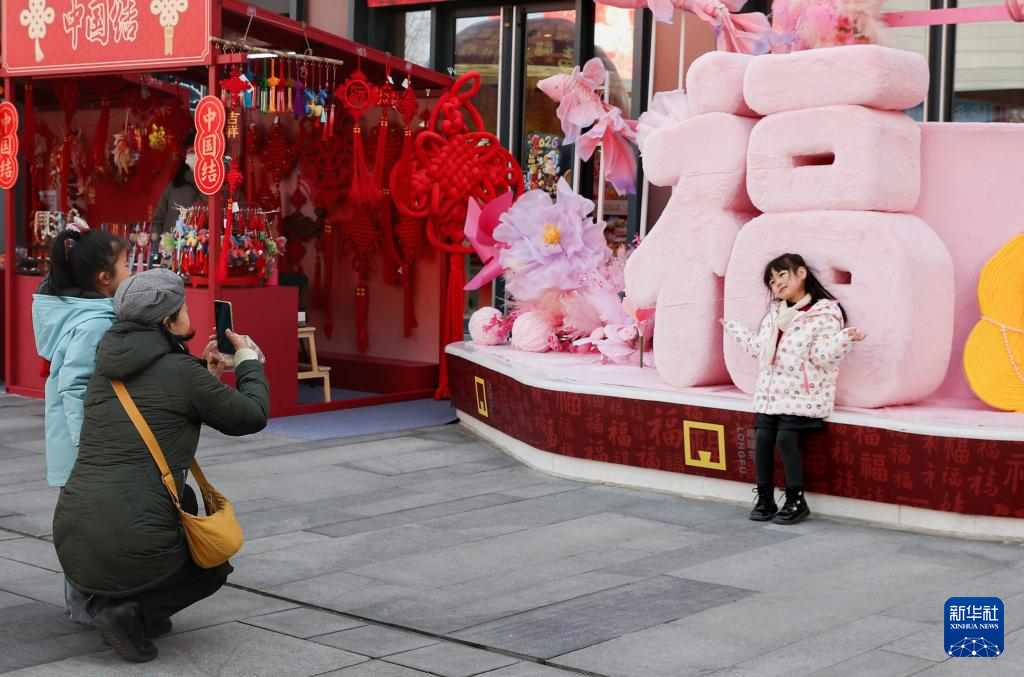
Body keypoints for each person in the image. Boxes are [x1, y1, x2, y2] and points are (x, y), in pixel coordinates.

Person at [52, 268, 269, 662]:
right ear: (167, 321)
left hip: (73, 536)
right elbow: (251, 415)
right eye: (183, 308)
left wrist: (204, 375)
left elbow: (157, 400)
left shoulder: (106, 369)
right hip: (125, 538)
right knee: (213, 565)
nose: (189, 313)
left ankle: (128, 603)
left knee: (182, 497)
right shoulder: (179, 373)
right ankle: (130, 613)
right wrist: (248, 360)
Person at [32, 222, 131, 623]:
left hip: (77, 446)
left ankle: (84, 602)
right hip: (83, 450)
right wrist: (89, 449)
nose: (132, 271)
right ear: (104, 277)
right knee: (91, 529)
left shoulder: (80, 312)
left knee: (84, 526)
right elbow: (75, 388)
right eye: (126, 265)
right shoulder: (94, 323)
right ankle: (87, 606)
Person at [721, 253, 866, 525]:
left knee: (785, 440)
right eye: (772, 281)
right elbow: (759, 349)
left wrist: (845, 338)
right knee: (763, 440)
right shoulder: (774, 315)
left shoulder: (823, 314)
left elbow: (823, 357)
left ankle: (796, 501)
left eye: (782, 275)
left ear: (801, 273)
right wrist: (734, 329)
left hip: (803, 395)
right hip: (770, 394)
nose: (777, 283)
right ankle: (765, 498)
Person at [151, 130, 201, 235]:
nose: (196, 155)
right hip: (171, 244)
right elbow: (158, 221)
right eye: (192, 151)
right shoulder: (173, 188)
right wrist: (157, 243)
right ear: (185, 155)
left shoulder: (218, 186)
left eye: (200, 151)